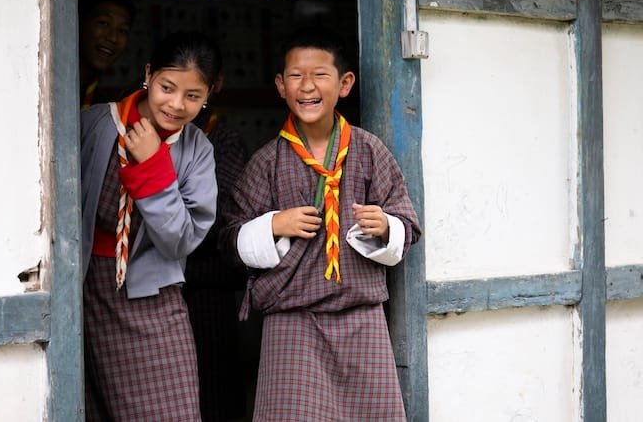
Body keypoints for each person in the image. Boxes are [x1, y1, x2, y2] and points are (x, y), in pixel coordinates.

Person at [220, 26, 422, 421]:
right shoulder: (267, 162)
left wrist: (384, 225)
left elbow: (407, 224)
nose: (307, 86)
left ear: (345, 83)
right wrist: (274, 224)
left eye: (320, 74)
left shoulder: (368, 151)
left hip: (361, 318)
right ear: (280, 85)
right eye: (296, 75)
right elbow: (229, 239)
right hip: (293, 322)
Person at [80, 31, 222, 421]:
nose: (176, 105)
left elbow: (182, 241)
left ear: (209, 94)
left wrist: (154, 168)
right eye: (167, 87)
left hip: (152, 298)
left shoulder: (196, 150)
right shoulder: (94, 124)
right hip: (83, 291)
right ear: (148, 74)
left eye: (193, 96)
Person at [184, 74, 251, 422]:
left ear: (215, 88)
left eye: (193, 90)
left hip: (206, 283)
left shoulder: (223, 140)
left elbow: (216, 221)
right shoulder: (144, 135)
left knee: (213, 391)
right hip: (156, 285)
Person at [78, 0, 136, 109]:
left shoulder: (100, 102)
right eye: (103, 23)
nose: (113, 38)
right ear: (78, 22)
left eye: (122, 30)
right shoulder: (46, 85)